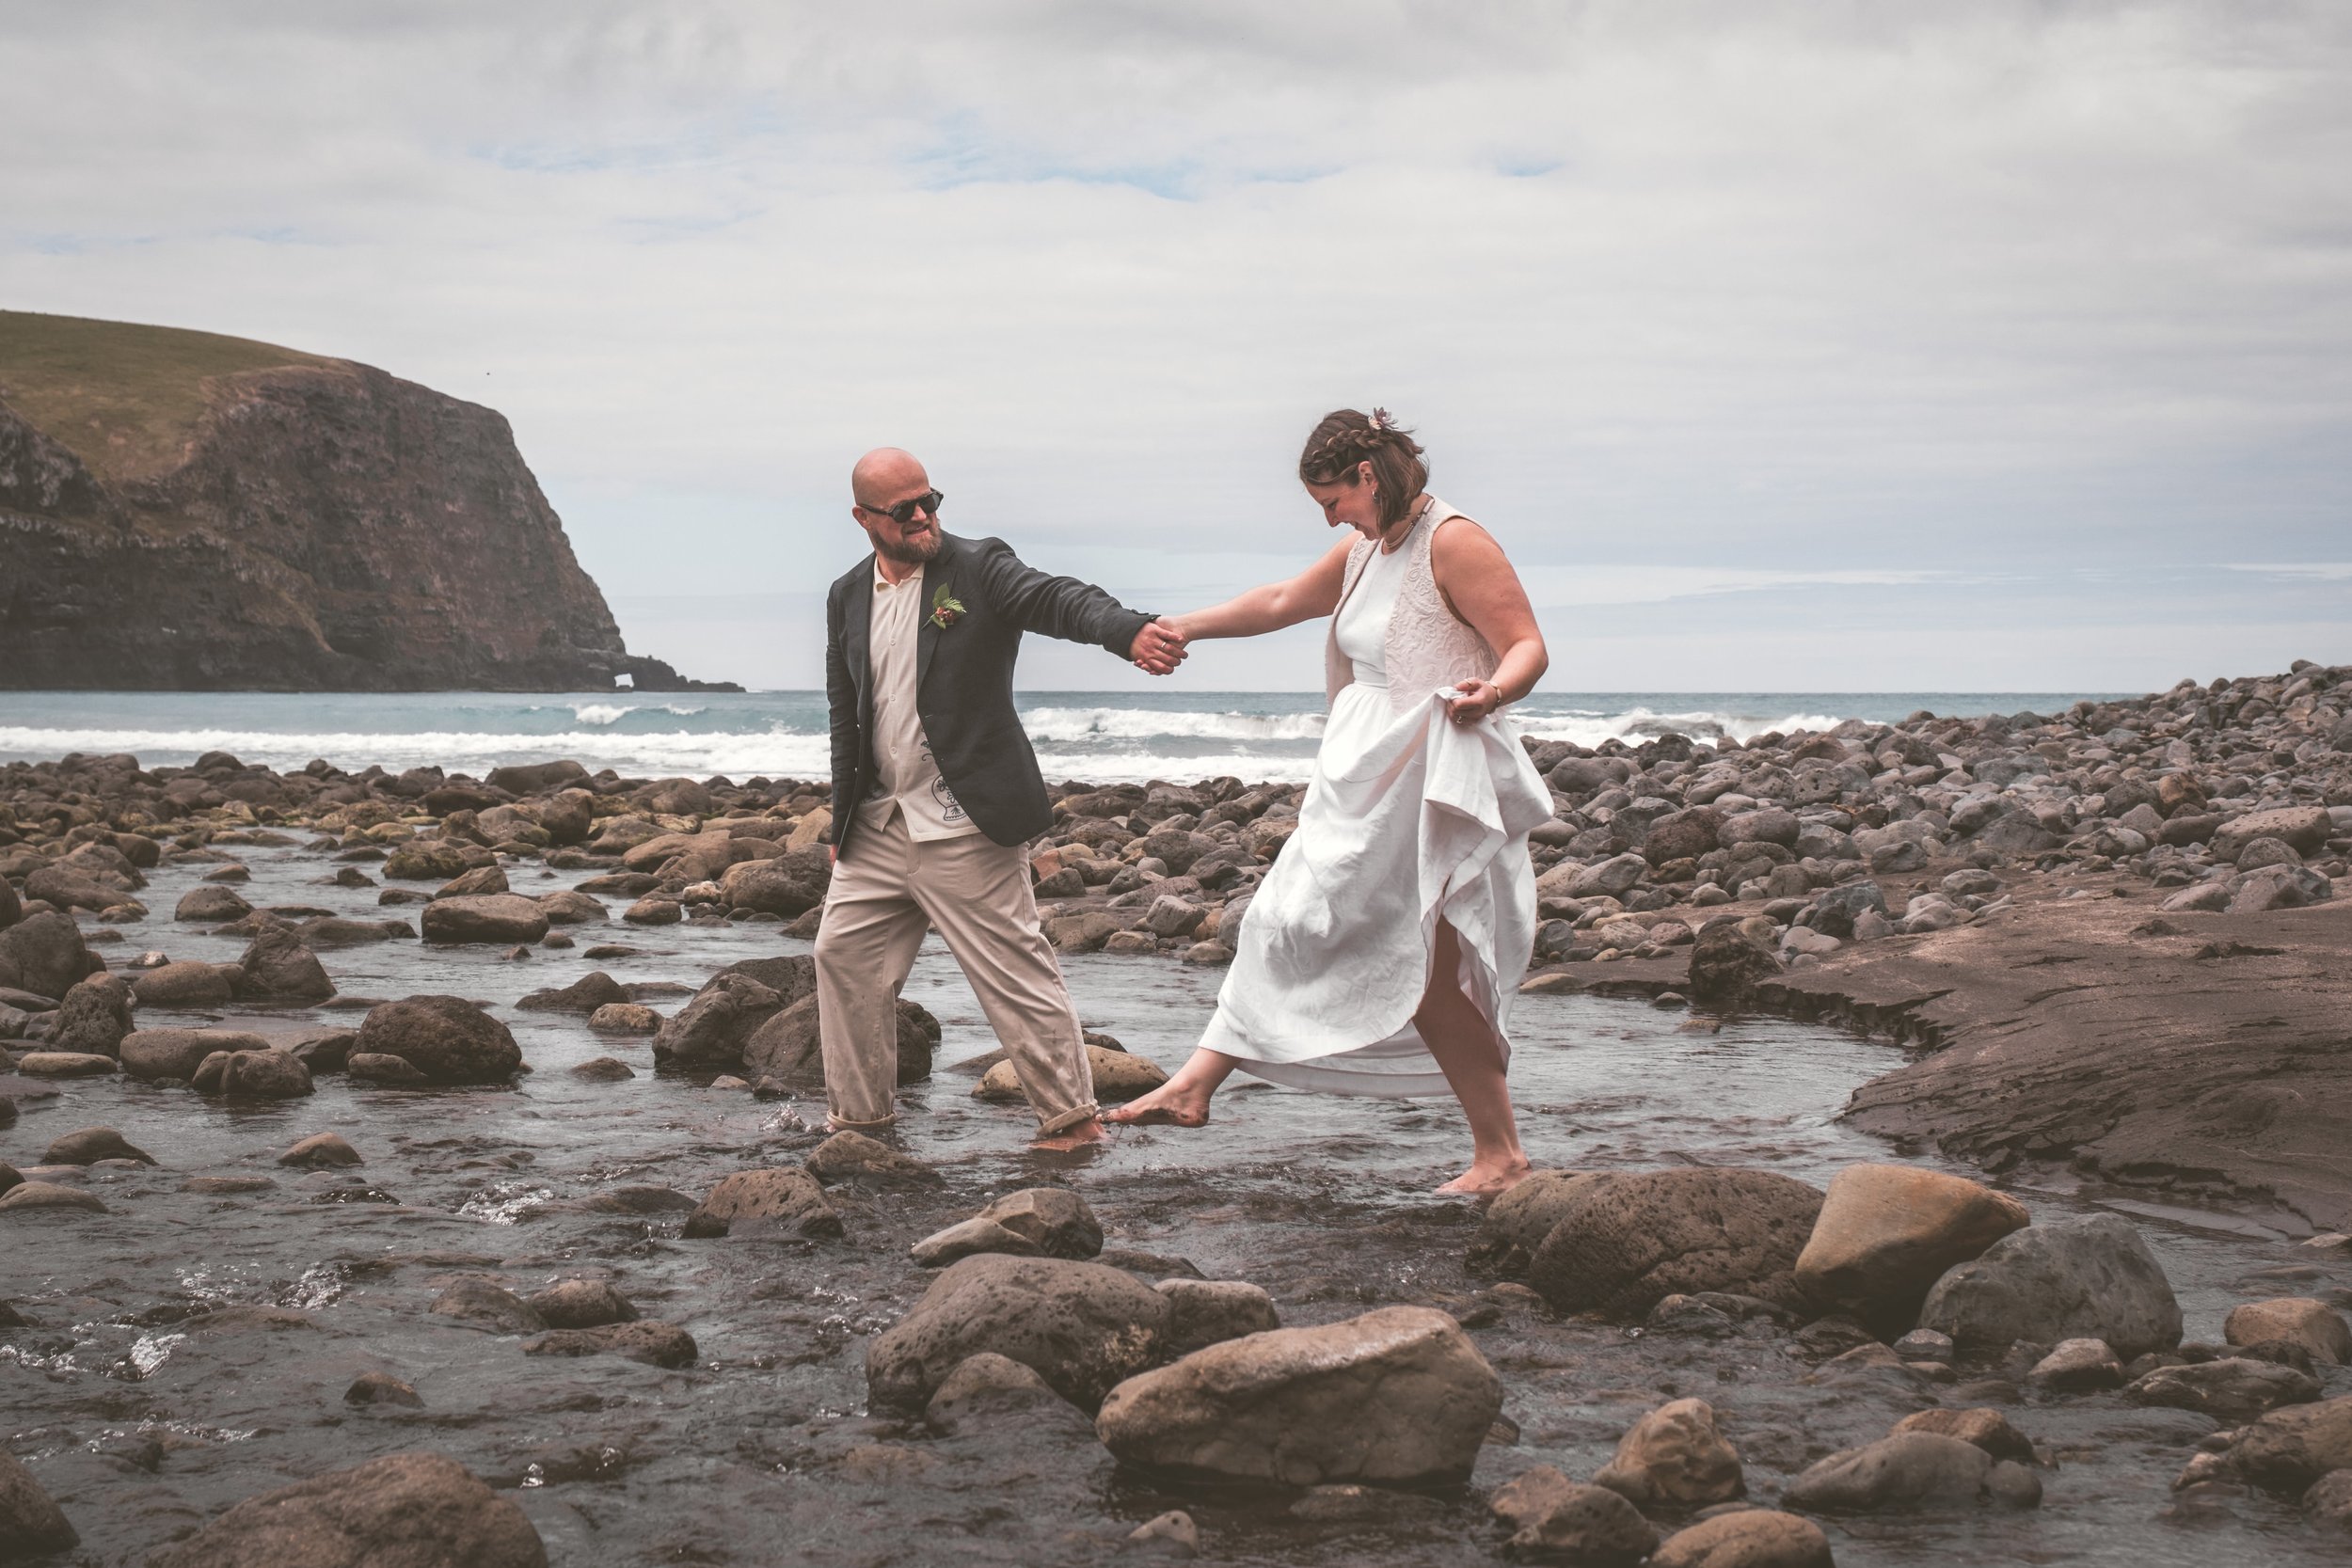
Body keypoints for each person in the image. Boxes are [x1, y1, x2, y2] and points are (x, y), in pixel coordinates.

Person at [1106, 409, 1553, 1193]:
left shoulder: (1453, 541)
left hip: (1426, 769)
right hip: (1362, 773)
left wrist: (1496, 689)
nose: (1329, 516)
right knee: (1340, 934)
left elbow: (1527, 645)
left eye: (1333, 498)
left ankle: (1498, 1154)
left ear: (1368, 477)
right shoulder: (1364, 550)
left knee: (1383, 946)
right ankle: (1199, 1084)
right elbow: (1280, 600)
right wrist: (1179, 626)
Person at [816, 448, 1187, 1149]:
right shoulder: (846, 595)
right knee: (841, 956)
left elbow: (1055, 598)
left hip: (967, 818)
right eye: (904, 509)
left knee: (1014, 969)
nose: (924, 516)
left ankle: (1073, 1123)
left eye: (931, 500)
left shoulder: (979, 567)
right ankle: (860, 1124)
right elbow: (847, 714)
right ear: (864, 518)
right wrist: (841, 819)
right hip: (878, 822)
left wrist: (1126, 630)